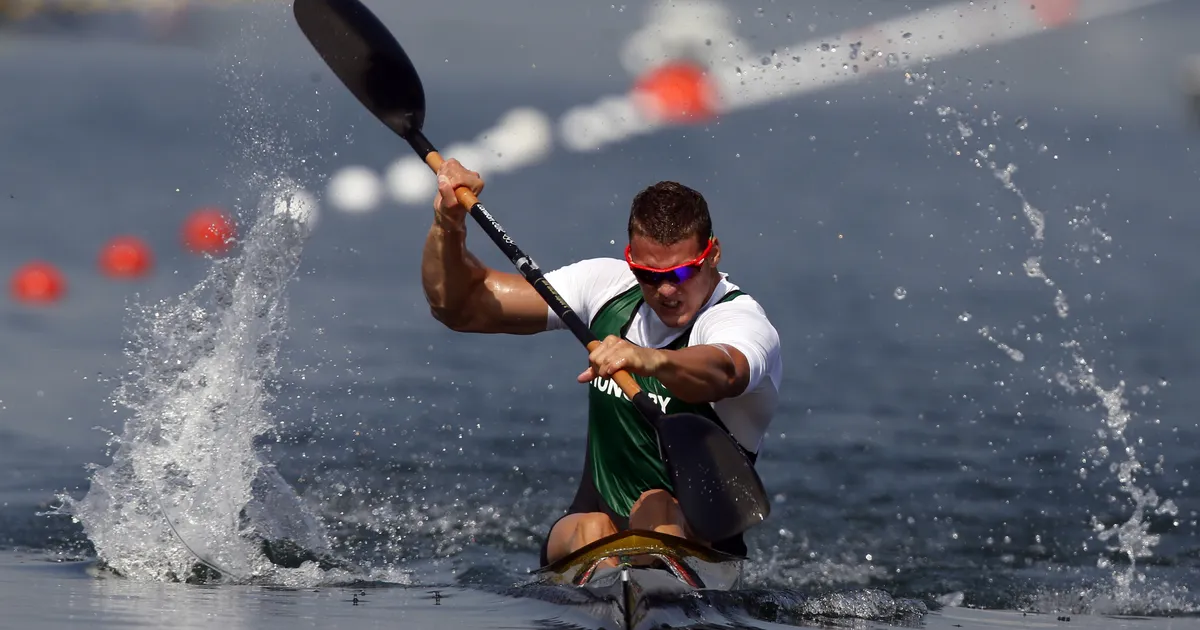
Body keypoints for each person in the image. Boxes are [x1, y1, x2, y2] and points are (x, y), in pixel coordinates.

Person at [421, 159, 783, 566]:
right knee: (590, 527)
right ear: (630, 260)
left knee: (657, 505)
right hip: (594, 536)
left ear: (712, 253)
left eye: (682, 272)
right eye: (648, 275)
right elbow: (460, 306)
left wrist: (648, 359)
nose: (665, 290)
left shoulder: (738, 320)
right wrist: (448, 224)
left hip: (700, 544)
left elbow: (725, 371)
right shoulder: (607, 286)